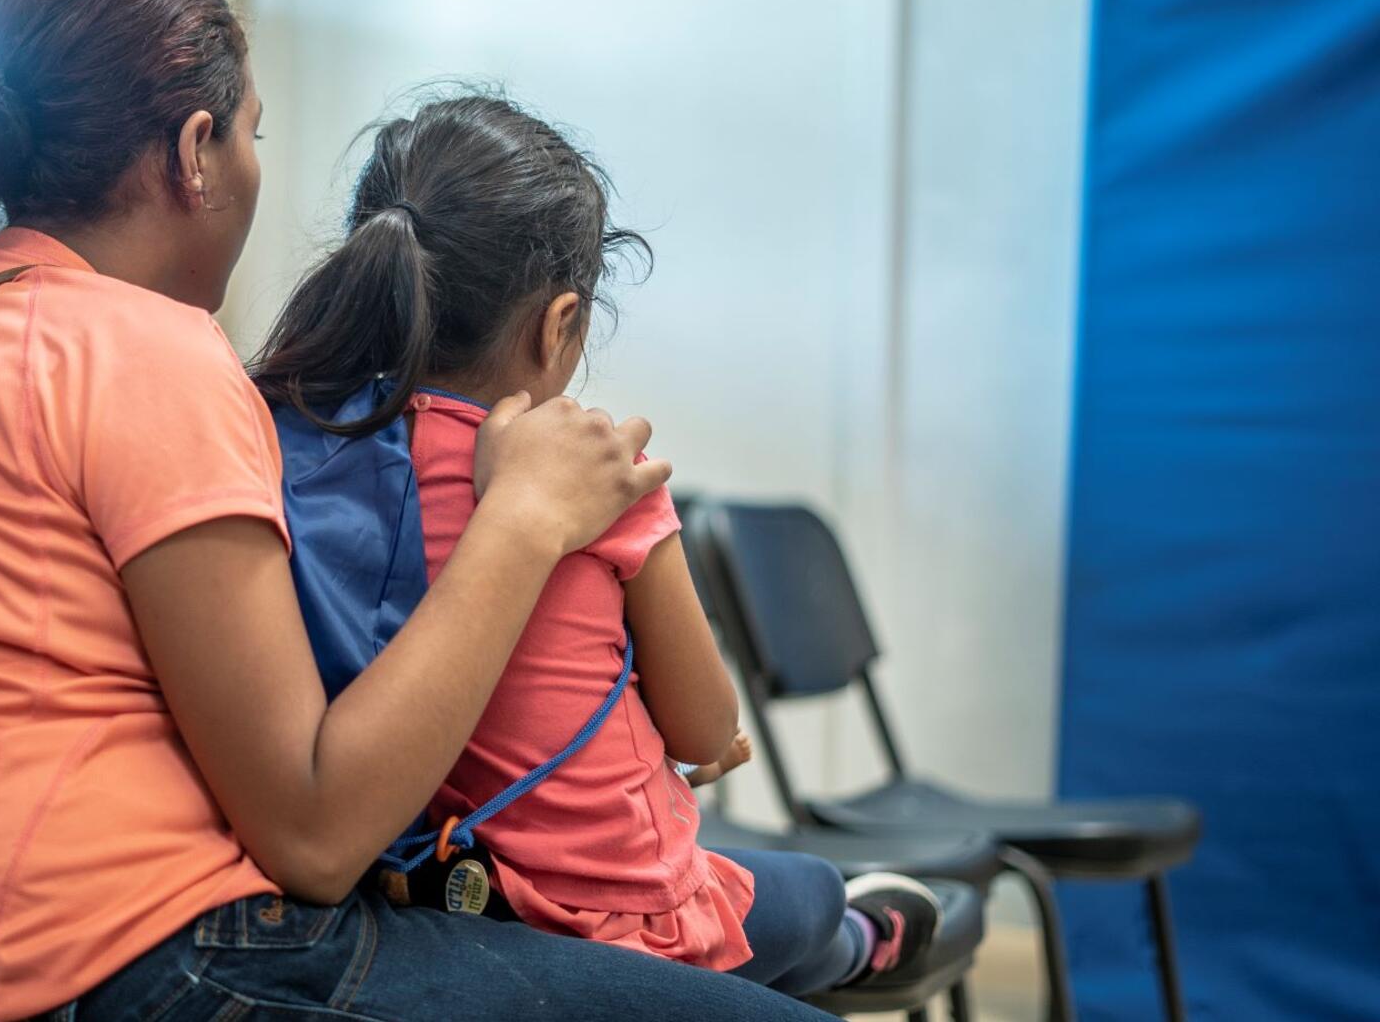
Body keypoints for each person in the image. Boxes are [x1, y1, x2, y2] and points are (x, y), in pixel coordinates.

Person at [0, 0, 831, 1021]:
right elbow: (320, 836)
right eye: (252, 132)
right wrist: (524, 517)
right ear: (198, 153)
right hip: (151, 970)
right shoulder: (142, 350)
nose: (251, 161)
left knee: (773, 919)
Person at [250, 95, 941, 997]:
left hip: (442, 897)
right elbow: (702, 727)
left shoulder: (316, 454)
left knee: (765, 896)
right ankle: (856, 938)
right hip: (610, 908)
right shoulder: (599, 478)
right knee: (804, 895)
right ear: (560, 323)